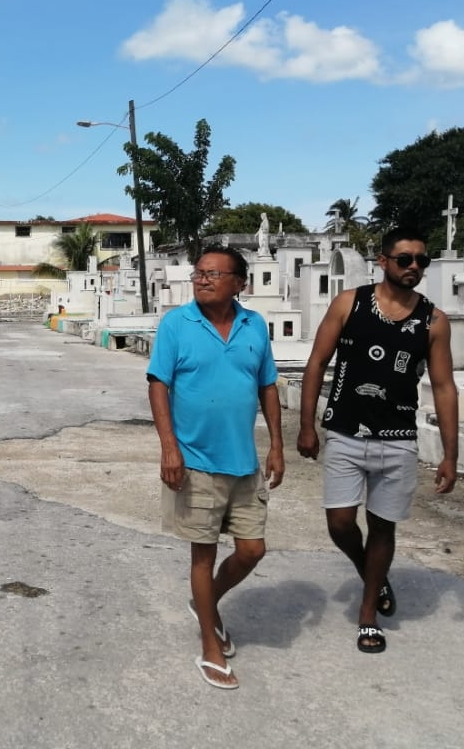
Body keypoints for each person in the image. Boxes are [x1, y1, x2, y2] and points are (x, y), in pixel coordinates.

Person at [297, 227, 458, 654]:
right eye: (404, 259)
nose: (413, 268)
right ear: (383, 261)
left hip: (399, 438)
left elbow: (444, 387)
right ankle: (370, 570)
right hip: (346, 432)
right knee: (341, 524)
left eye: (421, 260)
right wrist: (307, 425)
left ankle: (368, 617)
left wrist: (449, 454)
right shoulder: (349, 303)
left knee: (383, 526)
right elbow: (316, 363)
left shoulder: (434, 321)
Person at [147, 244, 284, 690]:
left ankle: (206, 603)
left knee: (252, 550)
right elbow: (158, 385)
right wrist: (170, 446)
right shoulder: (176, 324)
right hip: (195, 461)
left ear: (239, 283)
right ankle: (210, 642)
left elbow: (267, 386)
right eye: (199, 273)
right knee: (202, 554)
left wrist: (276, 446)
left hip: (243, 460)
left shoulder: (254, 326)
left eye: (213, 273)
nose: (202, 279)